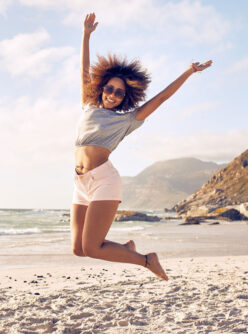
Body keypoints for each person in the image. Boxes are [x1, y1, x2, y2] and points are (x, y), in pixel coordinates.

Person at [70, 12, 212, 281]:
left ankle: (147, 260)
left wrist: (189, 72)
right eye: (109, 89)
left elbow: (162, 98)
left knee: (91, 247)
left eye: (119, 92)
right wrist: (86, 35)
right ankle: (124, 249)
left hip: (104, 181)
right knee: (79, 249)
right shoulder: (88, 106)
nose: (112, 94)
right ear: (102, 88)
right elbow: (84, 70)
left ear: (125, 97)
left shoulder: (127, 120)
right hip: (80, 182)